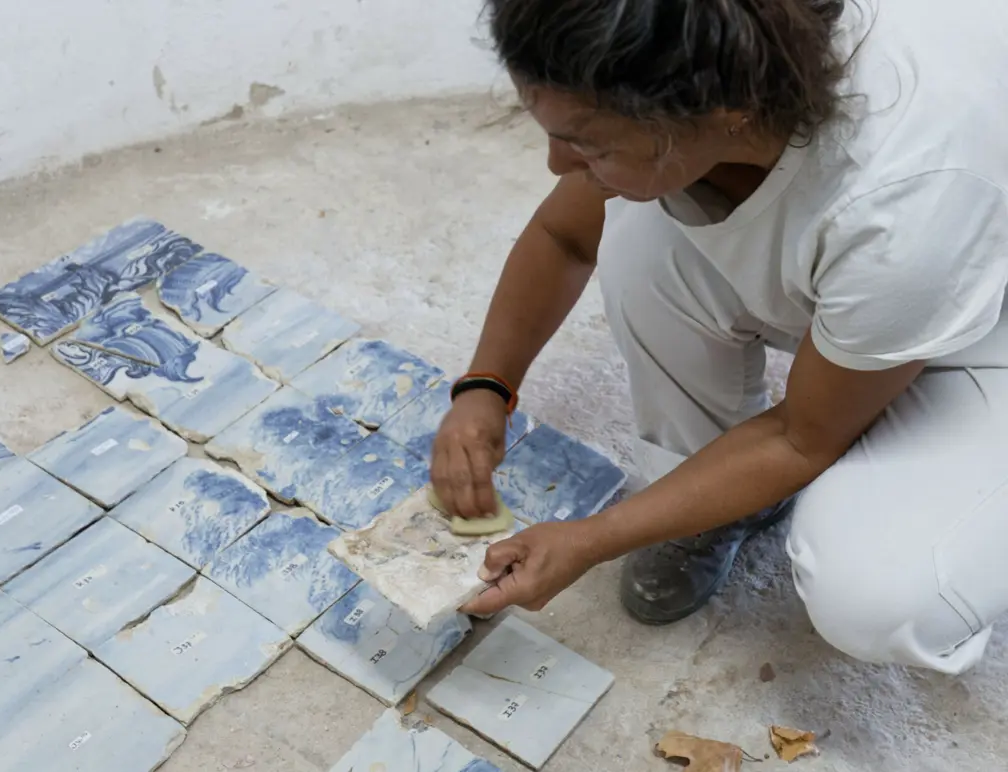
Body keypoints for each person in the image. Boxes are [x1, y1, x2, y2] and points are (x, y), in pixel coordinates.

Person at [432, 0, 1008, 675]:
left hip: (981, 300)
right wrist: (486, 386)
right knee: (641, 241)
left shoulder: (899, 206)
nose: (558, 163)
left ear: (722, 113)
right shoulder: (713, 55)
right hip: (903, 271)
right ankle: (721, 495)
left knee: (876, 596)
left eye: (588, 143)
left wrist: (592, 539)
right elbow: (564, 237)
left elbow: (802, 436)